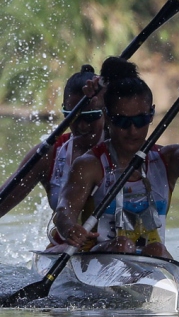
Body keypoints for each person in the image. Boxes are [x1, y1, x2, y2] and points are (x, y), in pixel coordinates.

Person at [51, 57, 179, 259]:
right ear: (108, 118)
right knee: (123, 245)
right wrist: (70, 229)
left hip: (150, 258)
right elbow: (64, 211)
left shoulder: (165, 160)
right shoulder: (89, 165)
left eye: (140, 119)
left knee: (156, 249)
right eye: (122, 121)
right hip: (95, 257)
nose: (132, 130)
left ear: (152, 114)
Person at [0, 65, 104, 223]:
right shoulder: (49, 155)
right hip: (67, 244)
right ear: (63, 112)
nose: (82, 126)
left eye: (91, 116)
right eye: (73, 117)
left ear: (107, 112)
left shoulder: (125, 149)